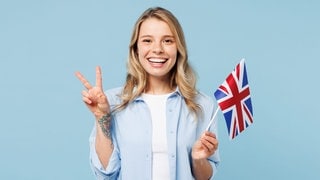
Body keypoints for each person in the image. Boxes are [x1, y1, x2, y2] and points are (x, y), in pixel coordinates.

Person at [76, 6, 220, 180]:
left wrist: (198, 160)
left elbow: (205, 177)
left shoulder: (202, 104)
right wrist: (101, 117)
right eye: (147, 40)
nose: (157, 49)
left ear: (178, 48)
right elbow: (106, 172)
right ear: (136, 48)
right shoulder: (112, 101)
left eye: (167, 41)